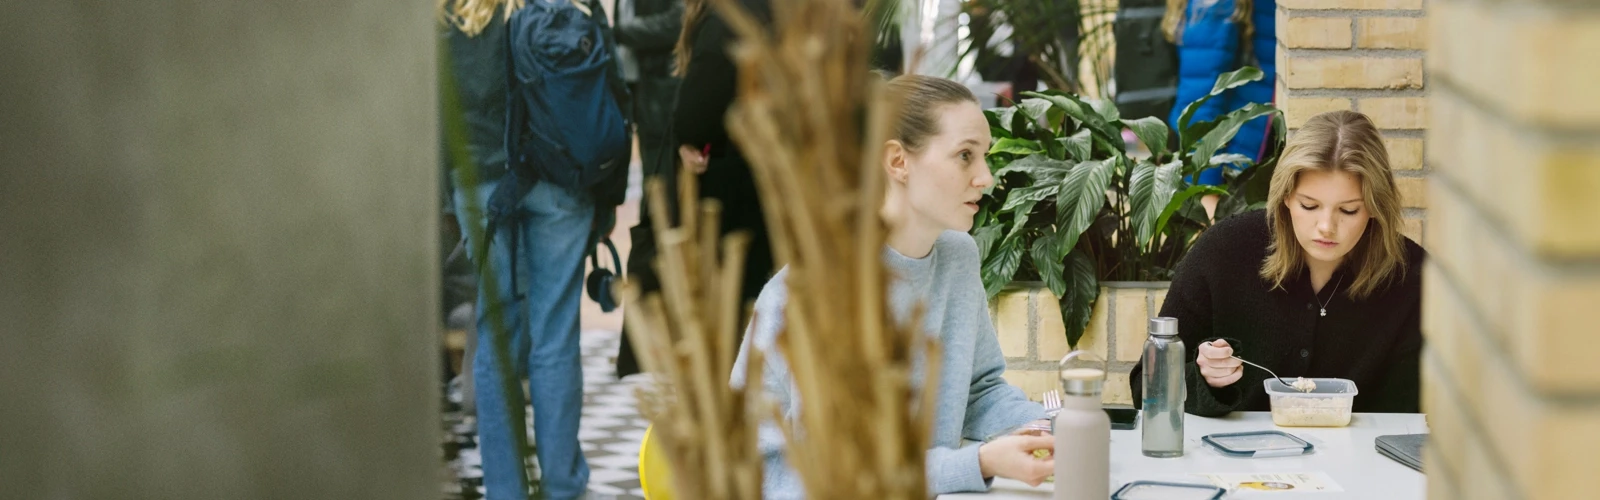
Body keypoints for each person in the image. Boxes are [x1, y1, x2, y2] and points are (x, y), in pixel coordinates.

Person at [731, 75, 1053, 498]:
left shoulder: (957, 256)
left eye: (984, 157)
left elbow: (979, 390)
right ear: (898, 161)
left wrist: (1049, 427)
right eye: (965, 156)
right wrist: (980, 462)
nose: (986, 178)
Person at [439, 0, 626, 497]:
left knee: (497, 336)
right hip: (562, 185)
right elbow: (611, 96)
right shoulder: (567, 5)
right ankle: (563, 484)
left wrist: (446, 195)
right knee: (556, 336)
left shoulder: (450, 15)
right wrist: (608, 200)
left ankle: (505, 489)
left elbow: (436, 111)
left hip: (481, 188)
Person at [1130, 110, 1425, 417]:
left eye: (1349, 210)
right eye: (1309, 206)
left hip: (1364, 462)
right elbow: (1145, 388)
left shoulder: (1412, 277)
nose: (1326, 226)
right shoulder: (1225, 251)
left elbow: (1418, 417)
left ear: (1376, 207)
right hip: (1231, 461)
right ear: (1285, 197)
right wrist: (1202, 378)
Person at [672, 0, 777, 334]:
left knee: (734, 311)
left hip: (735, 189)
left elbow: (695, 116)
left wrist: (688, 139)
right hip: (779, 184)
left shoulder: (728, 21)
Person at [613, 0, 685, 379]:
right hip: (646, 103)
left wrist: (618, 35)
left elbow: (677, 20)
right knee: (653, 224)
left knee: (659, 224)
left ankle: (649, 350)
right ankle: (643, 349)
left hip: (665, 105)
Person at [1163, 0, 1277, 218]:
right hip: (1229, 163)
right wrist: (1205, 191)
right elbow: (1201, 97)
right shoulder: (1218, 6)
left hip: (1250, 147)